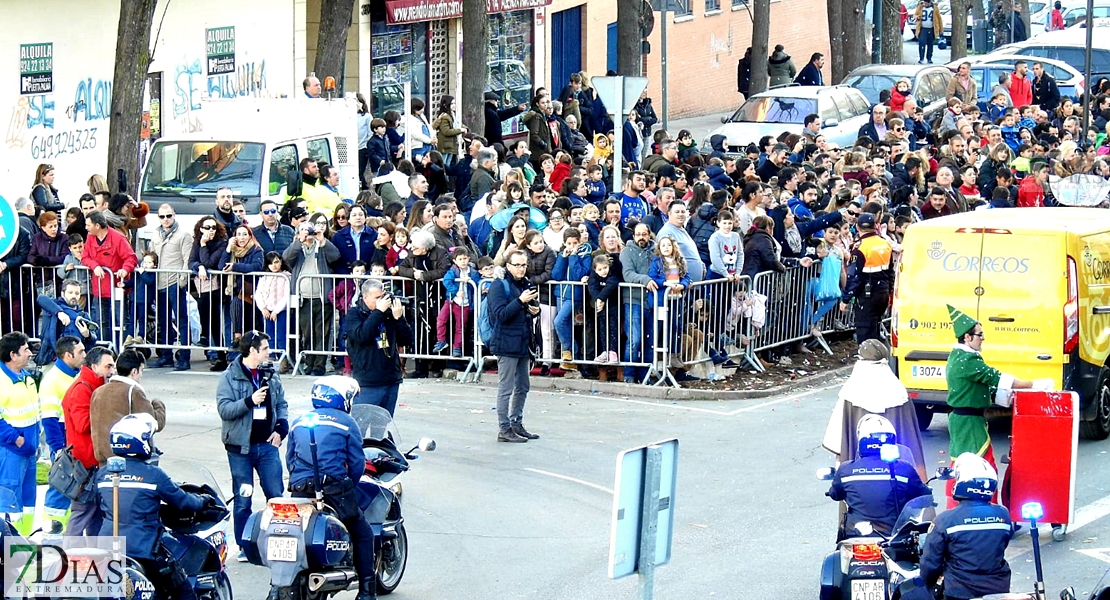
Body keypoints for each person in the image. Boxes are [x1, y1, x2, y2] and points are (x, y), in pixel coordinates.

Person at [97, 413, 208, 600]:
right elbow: (184, 502)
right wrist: (203, 500)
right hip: (142, 549)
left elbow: (98, 504)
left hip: (106, 548)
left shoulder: (103, 474)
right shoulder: (153, 475)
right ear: (141, 442)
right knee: (183, 591)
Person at [286, 377, 377, 600]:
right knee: (363, 533)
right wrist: (349, 486)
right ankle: (367, 591)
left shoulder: (299, 421)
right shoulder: (347, 422)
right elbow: (357, 464)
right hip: (333, 490)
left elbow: (290, 459)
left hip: (299, 490)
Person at [943, 305, 1044, 507]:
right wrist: (1033, 384)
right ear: (966, 338)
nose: (983, 338)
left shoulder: (962, 358)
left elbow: (979, 388)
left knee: (964, 464)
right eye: (979, 335)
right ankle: (985, 510)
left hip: (968, 421)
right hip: (968, 424)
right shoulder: (967, 360)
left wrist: (1007, 398)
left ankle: (960, 508)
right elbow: (995, 377)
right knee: (982, 466)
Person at [215, 330, 289, 562]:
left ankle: (279, 541)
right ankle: (245, 546)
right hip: (240, 449)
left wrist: (281, 429)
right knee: (243, 498)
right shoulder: (229, 377)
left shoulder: (270, 374)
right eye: (265, 349)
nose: (269, 352)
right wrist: (249, 401)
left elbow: (282, 403)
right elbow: (224, 410)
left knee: (276, 495)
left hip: (267, 447)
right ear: (252, 351)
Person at [823, 339, 928, 479]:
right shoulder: (899, 393)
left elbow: (838, 436)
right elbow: (911, 437)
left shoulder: (851, 393)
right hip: (896, 472)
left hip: (856, 474)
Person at [920, 453, 1012, 600]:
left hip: (960, 591)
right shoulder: (1003, 515)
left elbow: (931, 563)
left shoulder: (945, 520)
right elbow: (1002, 544)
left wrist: (927, 583)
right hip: (998, 589)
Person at [826, 415, 931, 539]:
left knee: (839, 556)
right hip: (895, 535)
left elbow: (835, 494)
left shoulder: (845, 469)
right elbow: (922, 495)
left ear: (861, 439)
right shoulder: (904, 468)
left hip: (855, 533)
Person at [61, 345, 115, 538]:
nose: (112, 371)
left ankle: (96, 560)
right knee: (83, 512)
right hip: (86, 465)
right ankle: (68, 559)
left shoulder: (92, 386)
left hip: (93, 462)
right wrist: (108, 410)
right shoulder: (82, 389)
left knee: (97, 515)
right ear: (94, 366)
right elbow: (83, 424)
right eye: (108, 366)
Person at [489, 249, 541, 443]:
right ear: (508, 266)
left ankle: (516, 423)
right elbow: (500, 314)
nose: (521, 269)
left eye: (523, 265)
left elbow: (530, 309)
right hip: (506, 343)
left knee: (523, 386)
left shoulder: (526, 284)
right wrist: (520, 301)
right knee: (506, 388)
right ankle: (504, 428)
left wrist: (534, 310)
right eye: (517, 265)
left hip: (523, 341)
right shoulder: (499, 286)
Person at [345, 279, 413, 415]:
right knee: (361, 425)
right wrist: (378, 312)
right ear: (365, 297)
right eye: (377, 298)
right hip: (368, 381)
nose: (381, 301)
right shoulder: (354, 314)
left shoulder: (387, 314)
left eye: (382, 297)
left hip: (390, 378)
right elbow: (361, 336)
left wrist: (399, 318)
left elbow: (407, 340)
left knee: (382, 426)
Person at [90, 348, 167, 466]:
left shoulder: (98, 392)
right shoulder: (132, 391)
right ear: (134, 371)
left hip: (103, 462)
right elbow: (155, 423)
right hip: (126, 463)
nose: (141, 375)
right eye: (141, 370)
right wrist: (158, 404)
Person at [38, 335, 85, 530]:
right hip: (63, 445)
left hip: (75, 442)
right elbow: (49, 420)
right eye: (81, 352)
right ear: (68, 355)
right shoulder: (52, 381)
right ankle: (52, 536)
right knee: (60, 489)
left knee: (75, 489)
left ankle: (66, 537)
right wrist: (58, 450)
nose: (84, 355)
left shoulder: (78, 374)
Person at [0, 332, 40, 533]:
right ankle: (7, 554)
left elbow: (33, 413)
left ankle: (24, 546)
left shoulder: (26, 377)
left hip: (28, 450)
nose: (30, 354)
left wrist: (34, 443)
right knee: (9, 503)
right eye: (25, 350)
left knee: (28, 503)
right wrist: (16, 439)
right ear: (12, 355)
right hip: (11, 452)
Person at [149, 204, 194, 371]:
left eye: (169, 216)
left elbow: (187, 259)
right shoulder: (155, 234)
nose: (166, 219)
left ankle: (184, 357)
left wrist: (182, 281)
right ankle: (166, 355)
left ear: (174, 215)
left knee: (182, 320)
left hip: (176, 283)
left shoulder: (184, 235)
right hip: (160, 283)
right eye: (162, 216)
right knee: (163, 321)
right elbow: (151, 256)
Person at [839, 213, 893, 345]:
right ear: (875, 226)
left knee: (864, 328)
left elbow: (854, 276)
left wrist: (846, 299)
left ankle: (867, 359)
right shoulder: (885, 244)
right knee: (875, 325)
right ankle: (876, 357)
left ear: (857, 227)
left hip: (868, 293)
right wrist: (889, 290)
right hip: (883, 291)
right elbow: (891, 271)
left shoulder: (860, 247)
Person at [915, 0, 942, 64]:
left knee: (930, 44)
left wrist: (941, 30)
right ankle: (921, 58)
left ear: (929, 3)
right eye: (924, 3)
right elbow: (915, 14)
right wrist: (917, 17)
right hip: (922, 28)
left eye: (926, 3)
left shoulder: (934, 8)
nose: (925, 4)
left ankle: (929, 58)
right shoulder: (920, 7)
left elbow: (939, 19)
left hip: (931, 29)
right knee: (922, 43)